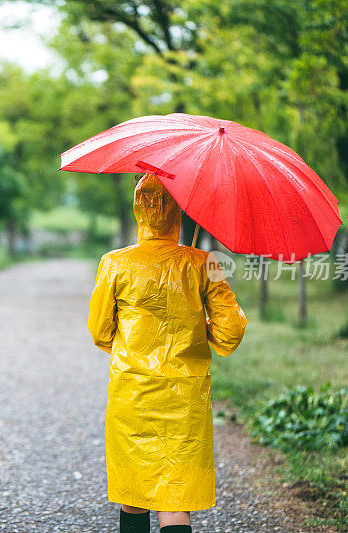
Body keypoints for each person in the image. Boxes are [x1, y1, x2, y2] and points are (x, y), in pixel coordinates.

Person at [88, 174, 247, 533]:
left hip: (132, 391)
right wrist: (197, 325)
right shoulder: (205, 263)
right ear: (179, 211)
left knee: (135, 490)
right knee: (176, 498)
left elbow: (100, 330)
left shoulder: (115, 263)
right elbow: (230, 332)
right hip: (185, 397)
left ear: (137, 208)